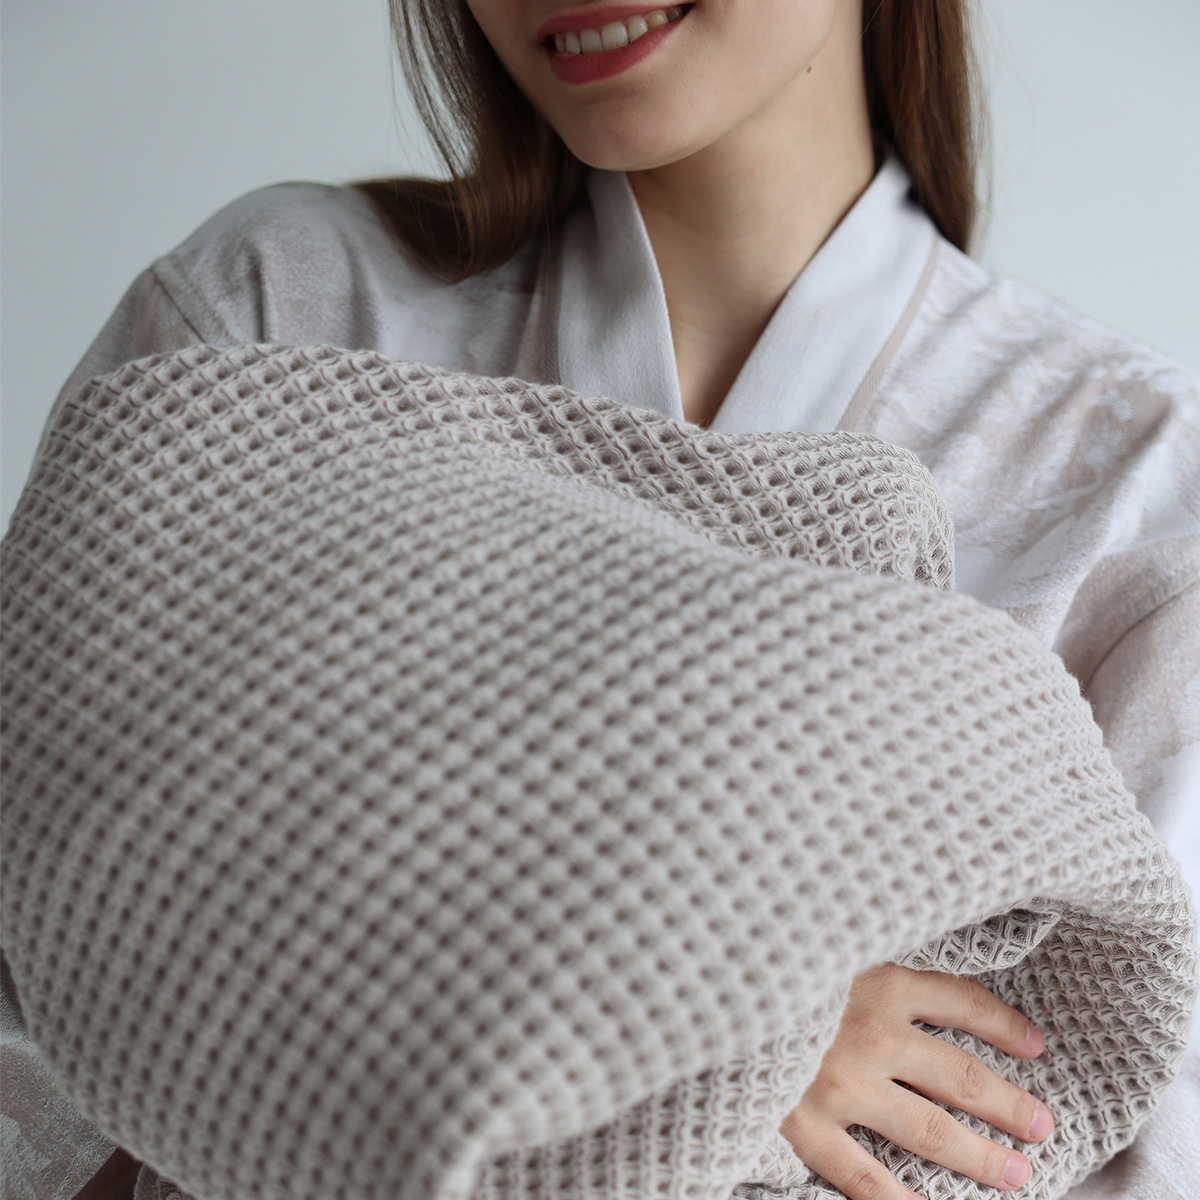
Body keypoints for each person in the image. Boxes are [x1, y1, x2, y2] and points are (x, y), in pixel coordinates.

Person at [5, 2, 1197, 1199]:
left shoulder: (1140, 497)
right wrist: (735, 1052)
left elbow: (1119, 1144)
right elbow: (53, 920)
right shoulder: (275, 315)